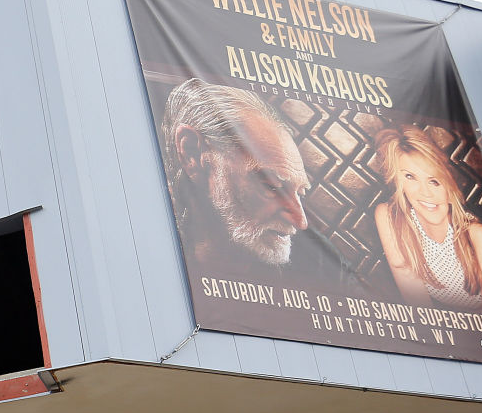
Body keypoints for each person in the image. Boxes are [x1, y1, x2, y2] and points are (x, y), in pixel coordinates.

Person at [161, 79, 381, 294]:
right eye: (271, 186)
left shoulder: (324, 266)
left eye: (300, 193)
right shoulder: (146, 243)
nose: (300, 221)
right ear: (192, 153)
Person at [373, 124, 482, 318]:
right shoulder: (390, 218)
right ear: (398, 182)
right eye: (410, 177)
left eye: (434, 181)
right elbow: (421, 311)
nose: (425, 192)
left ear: (448, 185)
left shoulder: (478, 236)